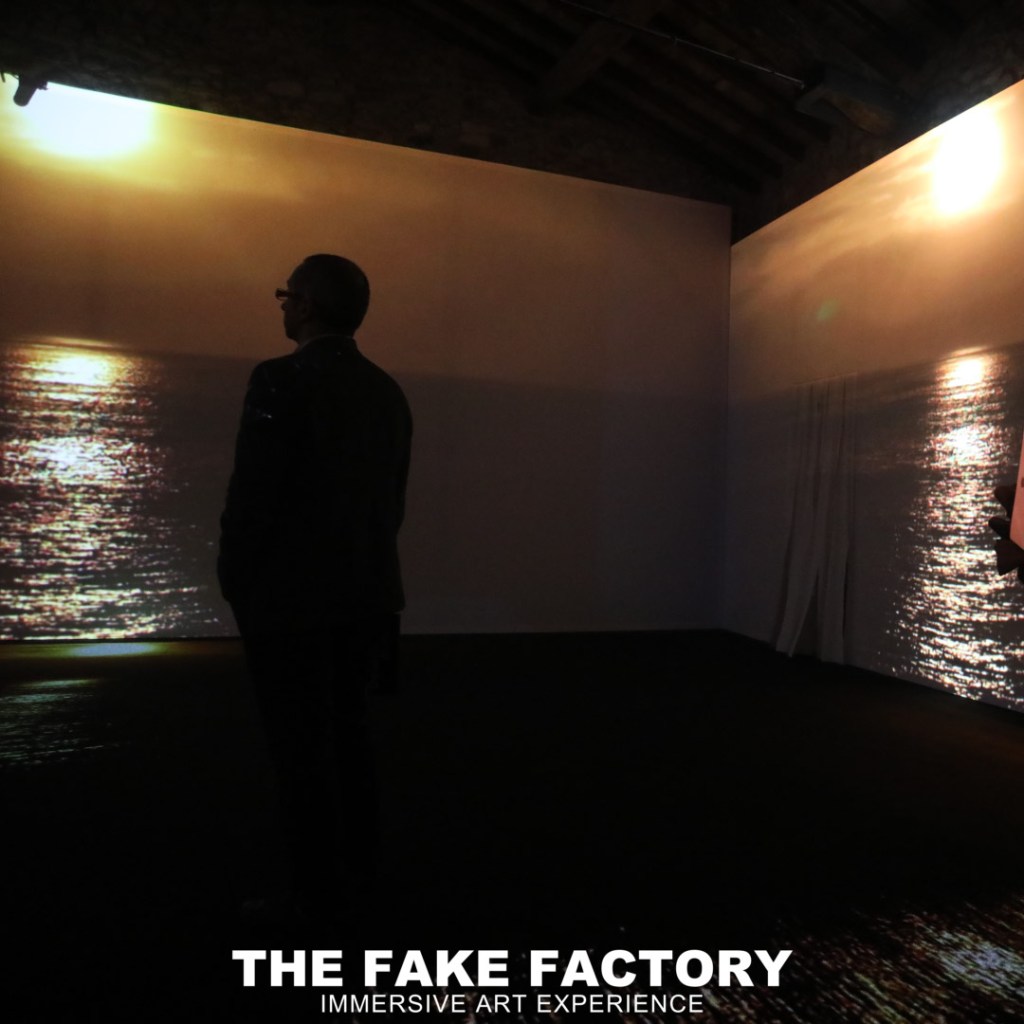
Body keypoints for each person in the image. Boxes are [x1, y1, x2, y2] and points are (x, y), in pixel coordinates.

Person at [218, 253, 412, 924]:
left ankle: (312, 899)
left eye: (287, 294)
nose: (282, 304)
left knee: (297, 751)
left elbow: (254, 493)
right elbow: (390, 506)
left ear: (305, 305)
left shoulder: (279, 380)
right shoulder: (387, 392)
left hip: (290, 604)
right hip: (367, 596)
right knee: (350, 739)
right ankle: (360, 879)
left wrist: (236, 579)